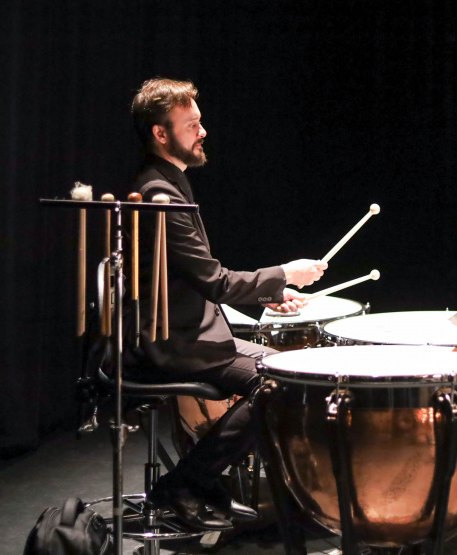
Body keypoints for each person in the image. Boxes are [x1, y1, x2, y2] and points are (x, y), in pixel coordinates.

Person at [125, 78, 328, 529]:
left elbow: (192, 277)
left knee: (295, 375)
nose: (202, 131)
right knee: (283, 385)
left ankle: (202, 482)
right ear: (161, 134)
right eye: (191, 124)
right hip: (172, 344)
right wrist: (284, 273)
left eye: (200, 122)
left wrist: (271, 294)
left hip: (192, 333)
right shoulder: (159, 195)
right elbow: (213, 281)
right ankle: (187, 482)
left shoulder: (168, 183)